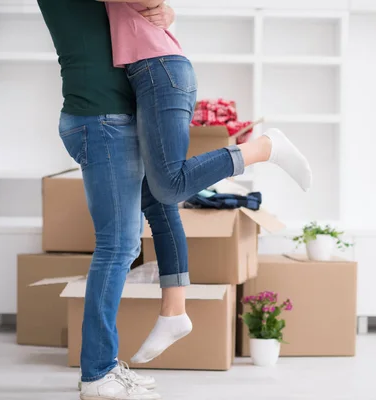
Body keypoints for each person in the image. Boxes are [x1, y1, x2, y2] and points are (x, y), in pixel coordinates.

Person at [38, 1, 311, 399]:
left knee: (151, 210)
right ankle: (97, 373)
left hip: (113, 113)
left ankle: (158, 324)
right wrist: (162, 7)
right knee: (118, 245)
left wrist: (166, 12)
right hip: (101, 119)